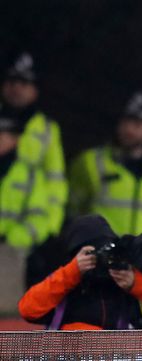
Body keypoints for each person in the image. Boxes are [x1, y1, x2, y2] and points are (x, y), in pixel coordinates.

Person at [17, 215, 142, 330]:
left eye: (107, 250)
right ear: (76, 255)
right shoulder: (66, 284)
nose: (102, 259)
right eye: (91, 253)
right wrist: (73, 271)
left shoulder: (127, 283)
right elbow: (28, 309)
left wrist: (137, 284)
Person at [2, 52, 68, 286]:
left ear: (35, 90)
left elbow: (56, 180)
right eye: (12, 81)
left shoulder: (46, 128)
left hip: (29, 231)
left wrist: (50, 227)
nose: (17, 88)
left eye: (25, 83)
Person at [68, 91, 142, 235]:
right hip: (100, 252)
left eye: (137, 124)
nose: (129, 129)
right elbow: (72, 210)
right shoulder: (91, 161)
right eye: (125, 121)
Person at [0, 109, 50, 311]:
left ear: (16, 140)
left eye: (4, 134)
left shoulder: (29, 175)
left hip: (10, 255)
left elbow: (40, 217)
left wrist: (14, 240)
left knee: (6, 313)